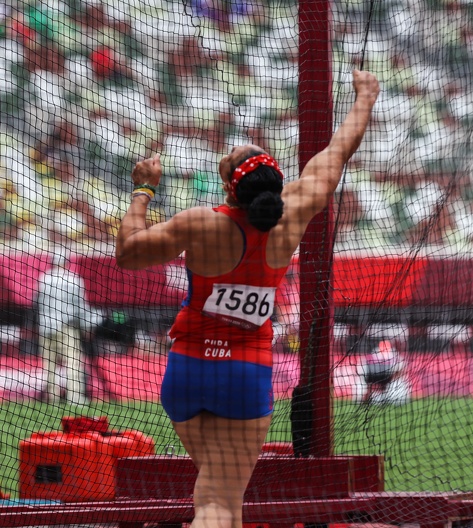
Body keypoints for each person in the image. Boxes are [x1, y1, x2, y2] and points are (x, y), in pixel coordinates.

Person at [115, 70, 379, 528]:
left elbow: (128, 253)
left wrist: (143, 190)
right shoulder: (294, 214)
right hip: (243, 372)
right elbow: (337, 152)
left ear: (227, 189)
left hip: (188, 368)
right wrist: (366, 97)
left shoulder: (200, 223)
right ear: (276, 183)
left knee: (224, 501)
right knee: (218, 501)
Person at [37, 247, 89, 406]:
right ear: (66, 262)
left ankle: (52, 397)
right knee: (73, 363)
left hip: (46, 327)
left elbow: (37, 303)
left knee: (49, 365)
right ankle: (75, 398)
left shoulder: (44, 279)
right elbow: (81, 307)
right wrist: (85, 326)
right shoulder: (74, 280)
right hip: (68, 327)